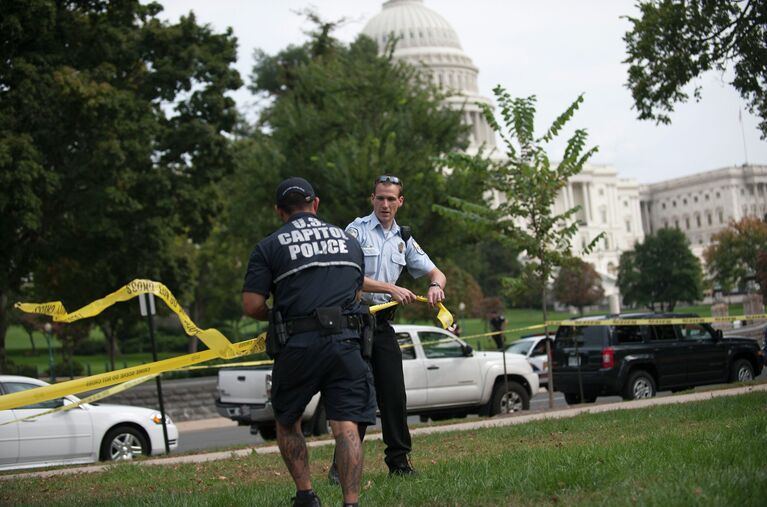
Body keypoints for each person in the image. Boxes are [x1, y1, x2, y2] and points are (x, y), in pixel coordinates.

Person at [242, 177, 376, 507]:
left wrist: (277, 315)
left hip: (298, 346)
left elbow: (252, 305)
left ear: (279, 212)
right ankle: (351, 502)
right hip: (346, 343)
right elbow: (357, 293)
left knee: (287, 421)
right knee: (346, 426)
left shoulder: (269, 246)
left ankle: (306, 495)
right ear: (315, 205)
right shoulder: (349, 242)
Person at [330, 174, 446, 478]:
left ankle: (399, 463)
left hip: (381, 326)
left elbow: (436, 272)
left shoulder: (403, 238)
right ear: (372, 199)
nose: (385, 204)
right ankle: (339, 465)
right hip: (354, 322)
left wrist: (435, 286)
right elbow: (347, 274)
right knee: (359, 395)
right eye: (380, 198)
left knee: (394, 393)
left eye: (391, 199)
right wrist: (390, 288)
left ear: (400, 202)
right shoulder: (355, 231)